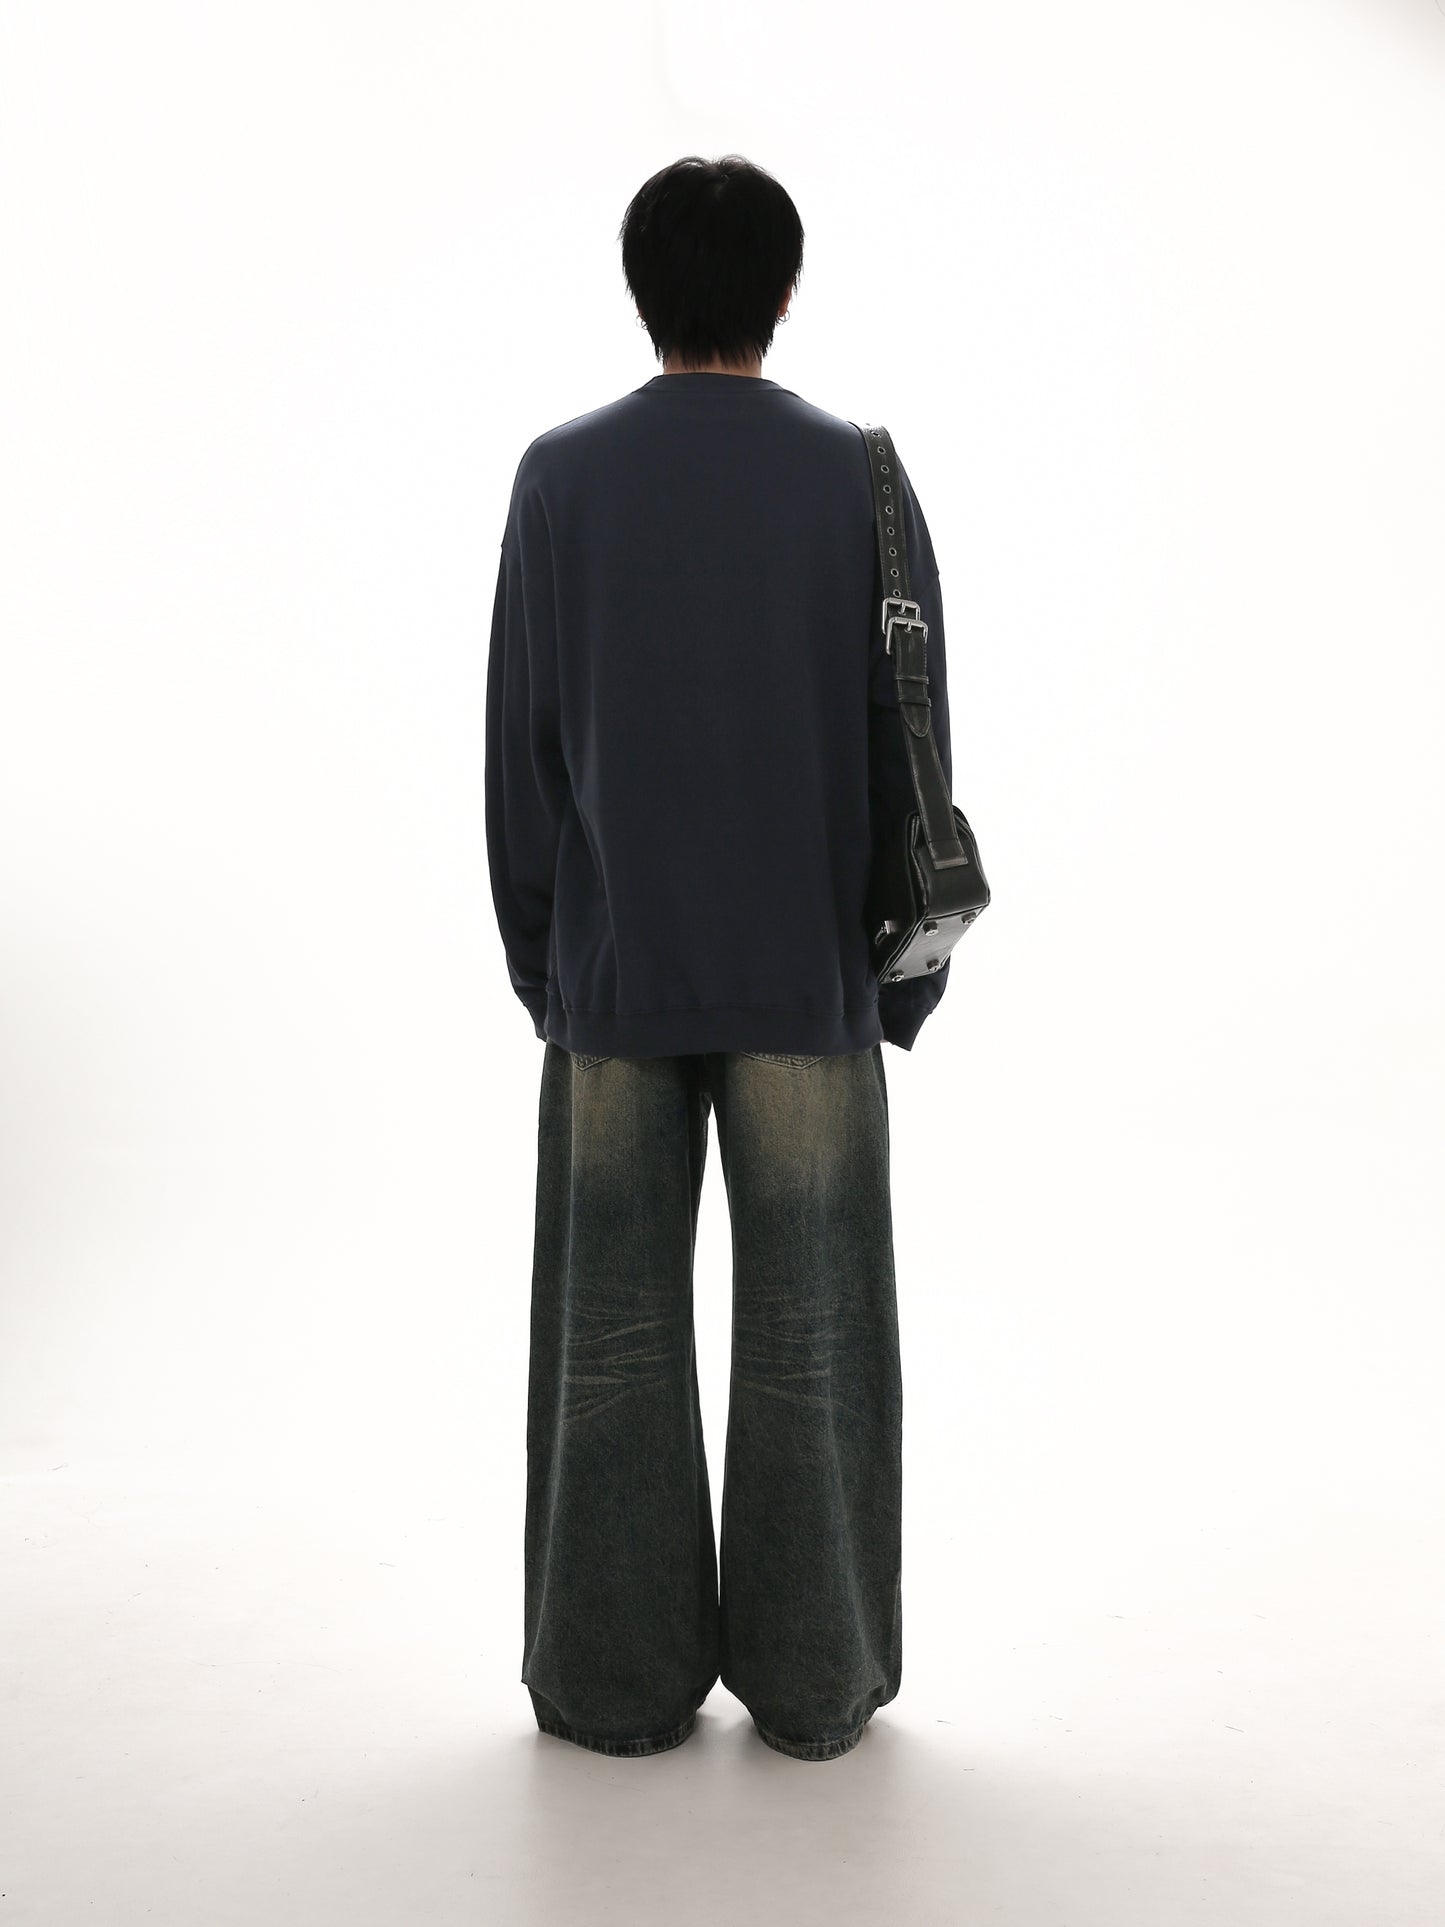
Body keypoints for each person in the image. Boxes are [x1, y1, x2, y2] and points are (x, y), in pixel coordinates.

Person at [485, 153, 955, 1763]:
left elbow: (524, 745)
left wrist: (544, 963)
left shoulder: (560, 477)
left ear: (641, 287)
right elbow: (913, 740)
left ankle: (612, 1687)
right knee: (816, 1339)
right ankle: (817, 1687)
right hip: (807, 975)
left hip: (618, 968)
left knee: (608, 1341)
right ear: (782, 289)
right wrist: (899, 975)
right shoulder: (858, 477)